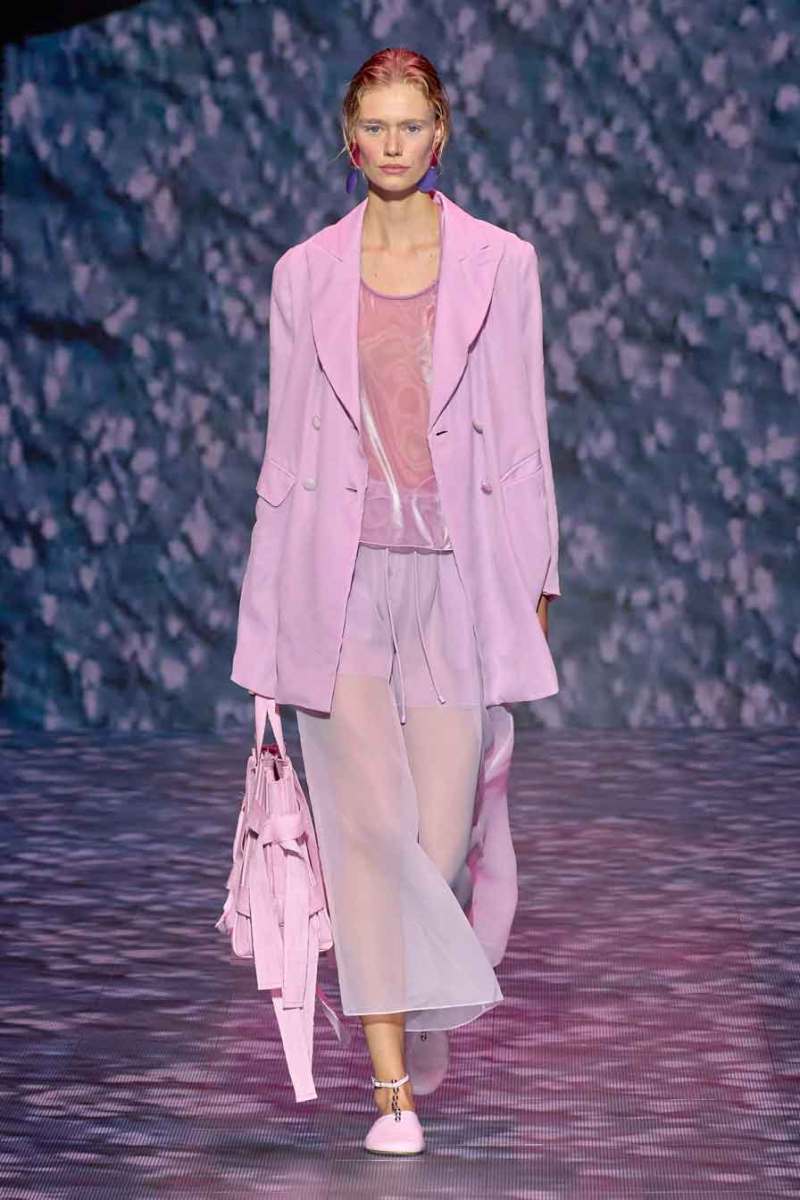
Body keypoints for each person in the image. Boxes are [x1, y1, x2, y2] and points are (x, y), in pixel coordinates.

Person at [231, 47, 561, 1156]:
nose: (390, 143)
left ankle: (420, 1000)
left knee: (438, 835)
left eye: (408, 124)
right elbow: (283, 455)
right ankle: (390, 1094)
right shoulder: (303, 274)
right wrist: (265, 628)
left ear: (440, 134)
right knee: (366, 834)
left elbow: (522, 437)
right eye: (372, 125)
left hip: (459, 579)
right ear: (347, 136)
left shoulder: (502, 265)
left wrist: (538, 581)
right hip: (338, 583)